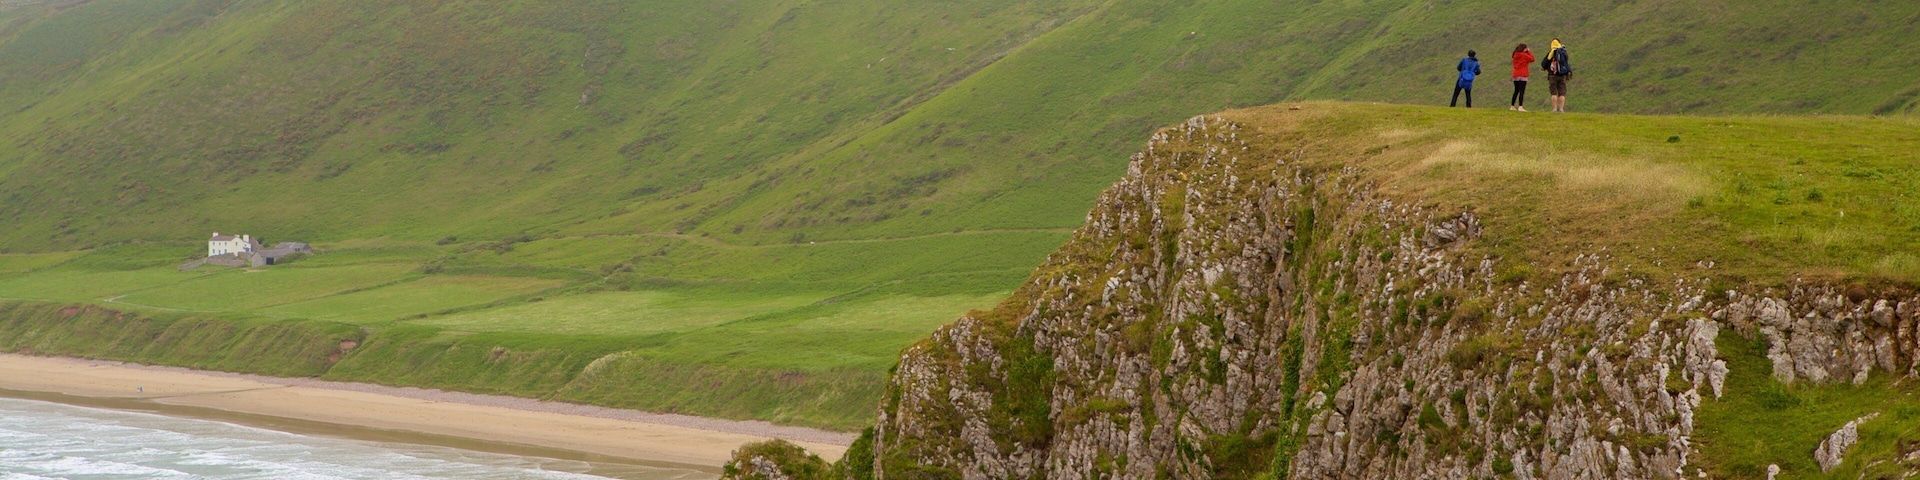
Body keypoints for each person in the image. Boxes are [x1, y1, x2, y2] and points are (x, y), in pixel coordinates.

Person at [1542, 39, 1572, 112]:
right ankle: (1561, 109)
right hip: (1562, 75)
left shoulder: (1550, 53)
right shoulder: (1563, 52)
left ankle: (1554, 109)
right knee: (1562, 93)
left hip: (1552, 76)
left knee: (1554, 93)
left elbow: (1543, 64)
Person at [1510, 43, 1534, 111]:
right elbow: (1532, 59)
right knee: (1522, 91)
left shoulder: (1515, 54)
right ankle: (1520, 106)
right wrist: (1528, 51)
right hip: (1523, 74)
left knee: (1516, 90)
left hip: (1515, 74)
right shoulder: (1524, 55)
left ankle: (1512, 105)